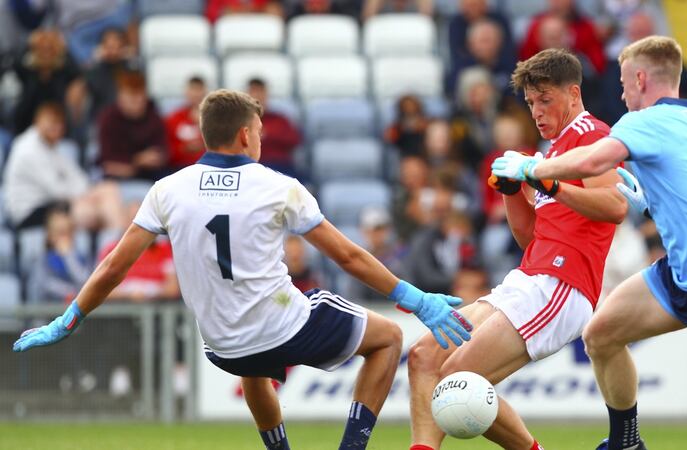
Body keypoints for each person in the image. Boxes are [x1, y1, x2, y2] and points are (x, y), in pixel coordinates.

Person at [12, 89, 473, 450]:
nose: (261, 138)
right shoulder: (279, 187)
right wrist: (414, 299)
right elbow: (348, 257)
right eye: (258, 131)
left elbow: (113, 265)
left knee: (254, 368)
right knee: (389, 338)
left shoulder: (167, 189)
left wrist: (69, 318)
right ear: (244, 135)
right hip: (284, 327)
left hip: (222, 347)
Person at [495, 35, 687, 448]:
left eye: (623, 84)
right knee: (600, 334)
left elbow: (591, 161)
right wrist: (651, 204)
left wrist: (534, 167)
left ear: (641, 78)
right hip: (682, 271)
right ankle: (627, 442)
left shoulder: (644, 122)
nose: (620, 94)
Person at [407, 48, 627, 450]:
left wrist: (546, 183)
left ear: (573, 94)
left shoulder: (593, 136)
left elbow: (616, 206)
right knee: (424, 355)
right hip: (530, 276)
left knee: (457, 376)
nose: (537, 112)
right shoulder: (552, 152)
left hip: (563, 282)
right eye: (530, 103)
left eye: (546, 100)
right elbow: (531, 238)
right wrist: (513, 192)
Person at [3, 102, 125, 231]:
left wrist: (88, 193)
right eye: (51, 123)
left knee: (109, 190)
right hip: (29, 213)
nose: (56, 127)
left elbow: (76, 177)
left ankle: (115, 243)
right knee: (88, 211)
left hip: (52, 204)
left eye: (59, 123)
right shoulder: (27, 148)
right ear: (37, 121)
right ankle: (116, 243)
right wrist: (87, 195)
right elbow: (55, 189)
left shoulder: (51, 147)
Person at [165, 77, 208, 171]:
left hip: (207, 168)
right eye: (193, 89)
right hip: (178, 168)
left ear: (205, 92)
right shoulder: (174, 118)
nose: (196, 94)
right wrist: (184, 148)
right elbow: (167, 148)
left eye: (199, 89)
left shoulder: (213, 119)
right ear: (186, 92)